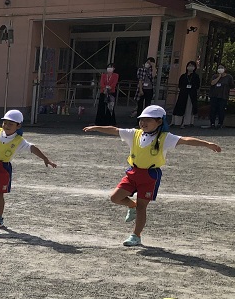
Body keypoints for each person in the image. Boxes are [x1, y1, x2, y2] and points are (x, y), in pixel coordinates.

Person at [83, 105, 221, 247]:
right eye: (142, 119)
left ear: (159, 122)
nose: (143, 123)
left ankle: (136, 235)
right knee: (115, 197)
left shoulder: (165, 138)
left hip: (150, 175)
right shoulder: (134, 133)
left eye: (148, 120)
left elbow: (185, 140)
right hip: (133, 172)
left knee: (142, 207)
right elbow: (115, 130)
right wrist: (96, 127)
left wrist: (207, 144)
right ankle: (131, 205)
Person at [172, 61, 200, 128]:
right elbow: (180, 85)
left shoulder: (196, 76)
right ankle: (178, 122)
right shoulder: (183, 76)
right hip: (183, 94)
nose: (190, 67)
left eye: (192, 66)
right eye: (189, 65)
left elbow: (197, 85)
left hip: (191, 94)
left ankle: (188, 122)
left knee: (189, 108)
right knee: (180, 107)